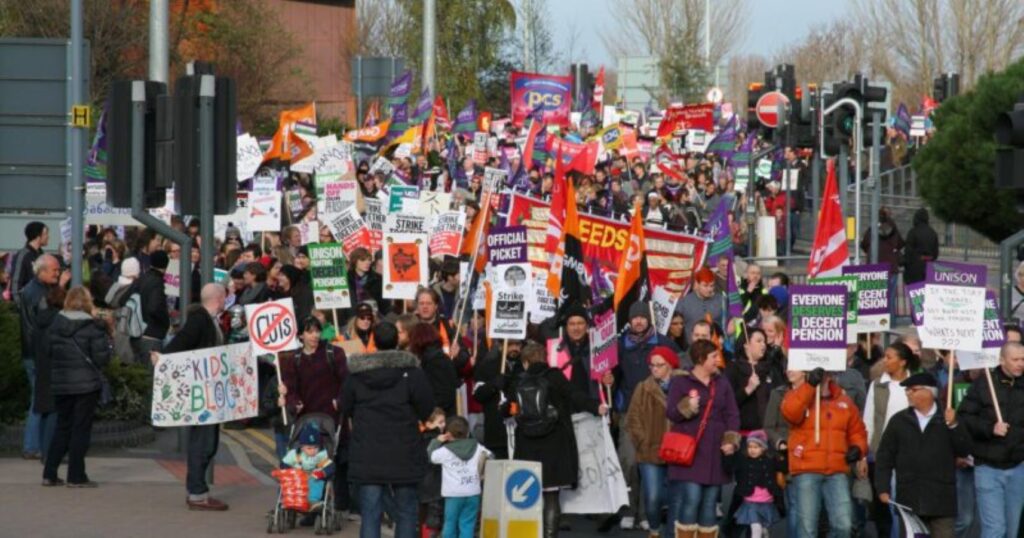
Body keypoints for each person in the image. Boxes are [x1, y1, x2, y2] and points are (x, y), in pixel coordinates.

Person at [341, 321, 435, 538]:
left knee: (371, 512)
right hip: (404, 450)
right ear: (397, 341)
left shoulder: (357, 374)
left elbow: (345, 407)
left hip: (367, 450)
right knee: (406, 511)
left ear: (374, 341)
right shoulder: (411, 372)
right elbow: (426, 407)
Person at [513, 341, 607, 538]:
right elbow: (574, 394)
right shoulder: (554, 376)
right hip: (553, 442)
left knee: (530, 495)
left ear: (526, 362)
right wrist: (595, 407)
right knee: (551, 496)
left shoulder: (519, 379)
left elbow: (509, 408)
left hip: (526, 444)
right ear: (544, 358)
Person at [157, 283, 229, 511]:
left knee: (209, 443)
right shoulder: (200, 320)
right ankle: (197, 494)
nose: (226, 302)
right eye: (225, 298)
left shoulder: (208, 320)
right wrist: (164, 359)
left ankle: (199, 491)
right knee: (203, 443)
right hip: (202, 395)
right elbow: (181, 343)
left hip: (209, 393)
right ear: (219, 298)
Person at [873, 372, 971, 538]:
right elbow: (885, 457)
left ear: (929, 392)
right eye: (907, 390)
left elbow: (964, 450)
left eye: (913, 390)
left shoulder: (948, 418)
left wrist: (954, 425)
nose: (908, 393)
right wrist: (883, 488)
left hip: (941, 499)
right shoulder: (899, 420)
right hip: (910, 497)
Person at [615, 301, 683, 530]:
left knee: (651, 462)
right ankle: (629, 509)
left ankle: (646, 512)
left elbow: (677, 371)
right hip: (629, 412)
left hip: (658, 414)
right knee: (629, 461)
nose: (639, 321)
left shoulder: (664, 344)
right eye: (635, 317)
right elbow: (610, 374)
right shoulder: (620, 345)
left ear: (649, 319)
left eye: (643, 317)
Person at [781, 367, 868, 538]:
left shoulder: (844, 401)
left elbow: (858, 432)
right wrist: (810, 386)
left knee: (844, 525)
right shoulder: (797, 394)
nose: (822, 375)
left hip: (837, 470)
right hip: (806, 468)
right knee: (807, 528)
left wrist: (858, 448)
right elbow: (791, 414)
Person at [665, 340, 741, 537]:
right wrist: (687, 406)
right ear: (700, 359)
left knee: (709, 504)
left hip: (715, 452)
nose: (718, 360)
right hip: (690, 451)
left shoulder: (722, 382)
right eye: (713, 356)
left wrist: (731, 441)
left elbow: (732, 414)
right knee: (691, 499)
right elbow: (672, 413)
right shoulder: (681, 381)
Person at [40, 287, 111, 488]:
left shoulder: (55, 324)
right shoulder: (93, 327)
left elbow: (47, 351)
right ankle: (76, 475)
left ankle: (49, 473)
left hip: (61, 382)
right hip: (86, 384)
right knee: (80, 429)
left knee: (63, 426)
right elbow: (101, 358)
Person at [279, 315, 350, 516]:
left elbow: (347, 381)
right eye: (309, 331)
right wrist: (293, 402)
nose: (315, 335)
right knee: (304, 462)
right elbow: (291, 388)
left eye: (317, 331)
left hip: (332, 417)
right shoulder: (294, 359)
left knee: (336, 459)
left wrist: (340, 399)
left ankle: (340, 504)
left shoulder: (334, 353)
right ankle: (304, 502)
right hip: (307, 419)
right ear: (301, 335)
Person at [958, 342, 1024, 538]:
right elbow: (965, 418)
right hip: (988, 467)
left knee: (1011, 531)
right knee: (995, 529)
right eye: (1015, 359)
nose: (1021, 363)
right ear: (1002, 359)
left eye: (1023, 359)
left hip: (1018, 466)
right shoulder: (984, 384)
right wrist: (990, 428)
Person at [624, 346, 683, 538]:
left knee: (676, 497)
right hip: (650, 451)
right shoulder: (643, 387)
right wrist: (642, 441)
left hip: (677, 451)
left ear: (671, 365)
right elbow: (632, 418)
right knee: (653, 496)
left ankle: (672, 534)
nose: (655, 368)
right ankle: (655, 529)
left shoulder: (683, 385)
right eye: (652, 365)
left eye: (660, 365)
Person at [863, 342, 919, 538]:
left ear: (903, 362)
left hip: (912, 455)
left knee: (907, 505)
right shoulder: (877, 385)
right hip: (885, 454)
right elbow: (868, 421)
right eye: (884, 356)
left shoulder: (917, 385)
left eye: (890, 357)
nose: (884, 361)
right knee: (890, 505)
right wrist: (865, 454)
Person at [18, 254, 67, 460]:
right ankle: (32, 446)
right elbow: (44, 320)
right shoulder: (38, 293)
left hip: (34, 351)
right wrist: (61, 287)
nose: (58, 273)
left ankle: (34, 445)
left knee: (39, 400)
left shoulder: (35, 289)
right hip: (37, 353)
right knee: (40, 400)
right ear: (42, 271)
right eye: (54, 270)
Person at [428, 415, 492, 538]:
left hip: (453, 495)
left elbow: (431, 456)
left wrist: (437, 441)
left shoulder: (445, 451)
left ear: (448, 434)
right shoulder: (477, 447)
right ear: (468, 432)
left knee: (450, 525)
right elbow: (489, 456)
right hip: (473, 492)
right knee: (467, 525)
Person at [724, 328, 786, 433]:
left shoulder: (771, 368)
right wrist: (747, 390)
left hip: (771, 433)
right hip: (743, 432)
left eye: (764, 342)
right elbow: (727, 403)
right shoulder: (733, 368)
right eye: (759, 341)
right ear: (746, 344)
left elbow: (782, 394)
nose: (763, 345)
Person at [472, 339, 525, 459]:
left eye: (517, 344)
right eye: (510, 344)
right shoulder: (488, 365)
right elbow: (477, 395)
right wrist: (494, 385)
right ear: (501, 346)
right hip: (496, 431)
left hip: (521, 432)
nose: (514, 349)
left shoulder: (525, 365)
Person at [728, 430, 782, 538]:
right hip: (750, 501)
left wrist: (783, 453)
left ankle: (764, 530)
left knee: (763, 526)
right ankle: (760, 531)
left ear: (763, 448)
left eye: (756, 447)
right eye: (750, 447)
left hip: (766, 501)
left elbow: (782, 468)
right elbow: (732, 468)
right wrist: (728, 455)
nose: (752, 450)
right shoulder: (745, 462)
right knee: (755, 527)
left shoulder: (770, 461)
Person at [409, 322, 460, 417]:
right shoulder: (432, 358)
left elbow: (444, 395)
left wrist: (425, 409)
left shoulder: (436, 361)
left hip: (440, 418)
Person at [282, 422, 335, 505]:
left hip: (314, 476)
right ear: (302, 447)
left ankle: (312, 500)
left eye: (316, 447)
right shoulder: (295, 454)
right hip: (298, 476)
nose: (313, 451)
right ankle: (291, 499)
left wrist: (323, 473)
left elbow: (330, 466)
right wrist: (289, 471)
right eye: (309, 448)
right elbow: (284, 464)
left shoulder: (321, 455)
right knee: (289, 482)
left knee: (316, 482)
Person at [134, 249, 170, 364]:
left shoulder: (142, 278)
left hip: (139, 331)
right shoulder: (157, 282)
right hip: (153, 334)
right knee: (152, 376)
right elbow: (154, 308)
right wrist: (166, 321)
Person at [675, 267, 723, 346]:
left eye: (712, 286)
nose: (709, 289)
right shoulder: (684, 302)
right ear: (697, 284)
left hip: (715, 349)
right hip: (690, 348)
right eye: (705, 286)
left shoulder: (721, 300)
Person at [8, 221, 49, 304]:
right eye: (46, 234)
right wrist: (21, 309)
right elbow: (15, 286)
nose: (48, 237)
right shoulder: (22, 255)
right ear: (38, 236)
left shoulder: (41, 254)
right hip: (27, 306)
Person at [902, 207, 939, 284]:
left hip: (914, 268)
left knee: (914, 293)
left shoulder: (913, 232)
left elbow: (908, 252)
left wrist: (905, 263)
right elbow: (935, 253)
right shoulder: (933, 233)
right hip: (928, 267)